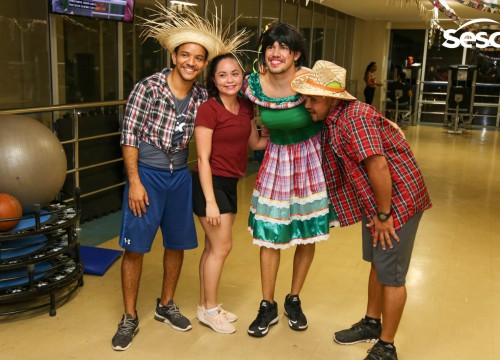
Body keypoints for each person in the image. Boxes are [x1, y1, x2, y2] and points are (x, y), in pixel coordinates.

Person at [111, 5, 249, 351]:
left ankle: (166, 304)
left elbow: (234, 103)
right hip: (147, 174)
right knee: (137, 249)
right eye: (185, 54)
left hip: (179, 178)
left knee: (176, 244)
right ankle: (129, 316)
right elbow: (129, 137)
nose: (191, 62)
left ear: (204, 64)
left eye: (198, 58)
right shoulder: (148, 88)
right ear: (174, 55)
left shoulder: (203, 97)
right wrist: (135, 182)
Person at [291, 60, 432, 360]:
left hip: (396, 202)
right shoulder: (336, 117)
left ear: (331, 99)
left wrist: (383, 216)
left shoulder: (354, 118)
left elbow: (378, 166)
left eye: (312, 99)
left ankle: (387, 346)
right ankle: (371, 322)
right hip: (377, 202)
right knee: (377, 262)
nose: (307, 105)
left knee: (392, 273)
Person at [241, 23, 337, 338]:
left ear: (296, 54)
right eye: (271, 46)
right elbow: (235, 114)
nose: (276, 53)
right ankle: (267, 305)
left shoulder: (312, 81)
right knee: (270, 233)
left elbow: (339, 110)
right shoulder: (252, 84)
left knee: (306, 234)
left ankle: (293, 299)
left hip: (310, 160)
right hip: (276, 160)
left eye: (284, 47)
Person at [193, 53, 269, 334]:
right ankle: (212, 310)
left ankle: (205, 307)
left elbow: (255, 143)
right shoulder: (208, 110)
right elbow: (202, 159)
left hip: (231, 183)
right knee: (222, 247)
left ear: (242, 77)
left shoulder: (246, 108)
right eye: (223, 75)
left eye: (234, 73)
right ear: (214, 80)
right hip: (210, 184)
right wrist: (210, 202)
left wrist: (283, 130)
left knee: (212, 248)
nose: (229, 79)